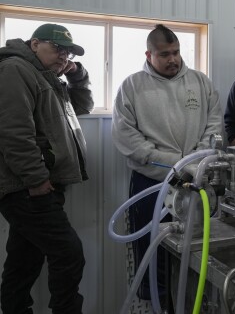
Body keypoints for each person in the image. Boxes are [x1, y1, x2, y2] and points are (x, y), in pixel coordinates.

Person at [111, 24, 222, 302]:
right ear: (149, 55)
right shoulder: (132, 86)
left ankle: (192, 302)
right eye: (164, 54)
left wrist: (197, 162)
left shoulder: (200, 82)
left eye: (176, 52)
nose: (173, 59)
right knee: (152, 250)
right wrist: (177, 164)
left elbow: (214, 127)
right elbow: (127, 139)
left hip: (196, 182)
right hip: (151, 185)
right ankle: (158, 304)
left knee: (196, 247)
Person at [0, 23, 93, 314]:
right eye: (57, 49)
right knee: (68, 252)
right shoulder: (16, 70)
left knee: (23, 261)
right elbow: (13, 132)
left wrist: (78, 75)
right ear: (35, 43)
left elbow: (83, 106)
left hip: (38, 184)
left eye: (67, 53)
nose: (63, 57)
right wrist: (36, 179)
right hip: (27, 187)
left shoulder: (47, 78)